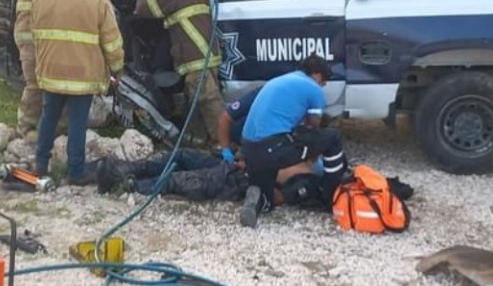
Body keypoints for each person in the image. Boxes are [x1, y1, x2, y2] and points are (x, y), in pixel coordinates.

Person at [96, 86, 323, 203]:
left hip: (236, 181)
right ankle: (126, 168)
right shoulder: (294, 148)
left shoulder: (309, 176)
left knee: (179, 180)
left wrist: (257, 177)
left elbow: (278, 196)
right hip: (235, 166)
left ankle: (126, 184)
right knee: (182, 155)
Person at [30, 0, 124, 184]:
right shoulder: (97, 0)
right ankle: (76, 172)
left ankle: (40, 165)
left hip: (50, 74)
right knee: (77, 124)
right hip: (82, 77)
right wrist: (117, 70)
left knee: (48, 117)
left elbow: (36, 36)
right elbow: (112, 43)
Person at [239, 55, 347, 228]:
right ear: (318, 75)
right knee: (333, 137)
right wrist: (313, 161)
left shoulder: (280, 81)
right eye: (324, 82)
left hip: (249, 149)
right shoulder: (314, 89)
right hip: (272, 147)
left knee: (268, 202)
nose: (323, 86)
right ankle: (331, 197)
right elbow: (313, 131)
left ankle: (258, 198)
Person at [134, 0, 224, 146]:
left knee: (209, 101)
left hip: (196, 59)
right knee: (196, 103)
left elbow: (142, 7)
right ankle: (198, 143)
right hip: (207, 56)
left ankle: (227, 146)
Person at [15, 0, 65, 139]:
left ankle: (30, 126)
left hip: (27, 37)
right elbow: (55, 0)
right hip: (35, 39)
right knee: (35, 84)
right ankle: (27, 128)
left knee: (34, 82)